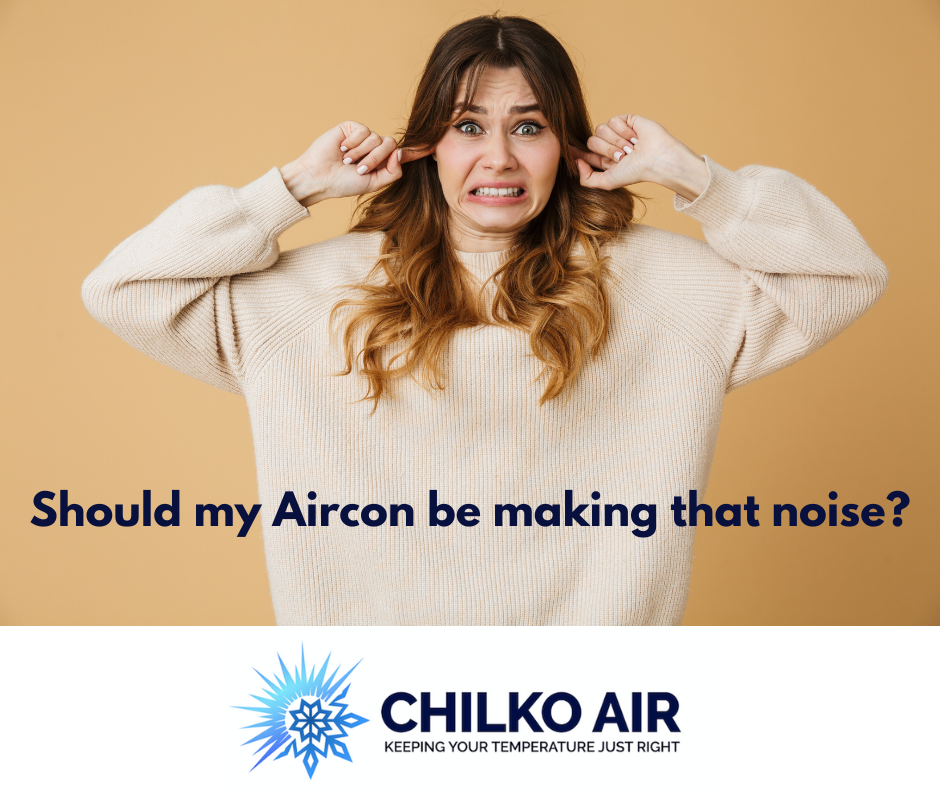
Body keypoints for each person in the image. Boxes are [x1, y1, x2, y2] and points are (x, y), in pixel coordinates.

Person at [82, 15, 888, 625]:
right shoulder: (319, 296)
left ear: (566, 147)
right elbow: (123, 290)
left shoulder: (659, 288)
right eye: (468, 126)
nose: (498, 157)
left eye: (528, 127)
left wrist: (696, 177)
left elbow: (842, 274)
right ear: (429, 144)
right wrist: (286, 190)